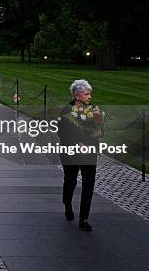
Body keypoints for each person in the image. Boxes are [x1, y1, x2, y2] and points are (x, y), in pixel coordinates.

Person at [58, 79, 103, 232]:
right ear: (77, 96)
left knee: (89, 184)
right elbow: (62, 132)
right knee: (70, 180)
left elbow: (100, 131)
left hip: (89, 153)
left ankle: (84, 218)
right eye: (86, 94)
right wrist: (77, 143)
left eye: (90, 94)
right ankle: (68, 204)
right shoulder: (66, 110)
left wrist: (98, 121)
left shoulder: (93, 110)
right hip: (71, 152)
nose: (89, 97)